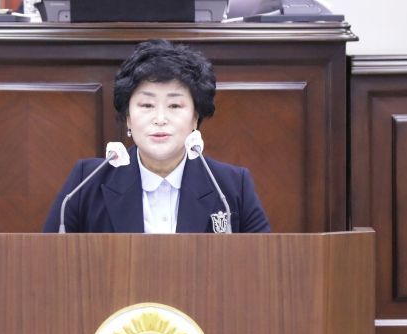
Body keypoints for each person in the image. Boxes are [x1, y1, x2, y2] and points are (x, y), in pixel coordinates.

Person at [42, 39, 270, 233]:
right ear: (128, 117)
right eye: (147, 105)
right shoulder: (86, 183)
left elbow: (263, 264)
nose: (160, 119)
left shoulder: (231, 186)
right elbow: (49, 261)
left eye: (174, 105)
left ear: (195, 118)